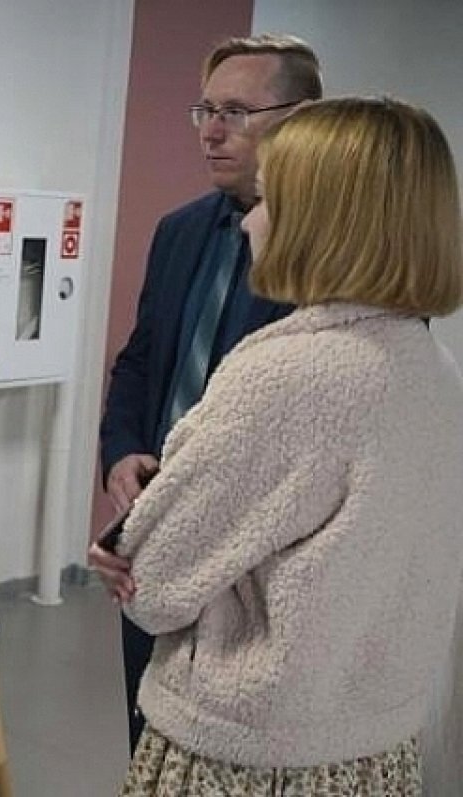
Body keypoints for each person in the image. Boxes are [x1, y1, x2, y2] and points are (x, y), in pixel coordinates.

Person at [115, 95, 463, 794]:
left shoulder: (292, 374)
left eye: (269, 198)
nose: (248, 219)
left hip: (250, 758)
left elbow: (152, 581)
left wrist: (131, 548)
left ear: (326, 222)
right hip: (374, 752)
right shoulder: (432, 367)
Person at [92, 33, 323, 753]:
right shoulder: (180, 232)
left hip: (253, 572)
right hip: (155, 543)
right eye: (205, 110)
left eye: (236, 111)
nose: (213, 131)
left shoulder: (330, 255)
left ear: (303, 119)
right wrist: (123, 451)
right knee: (149, 737)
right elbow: (138, 362)